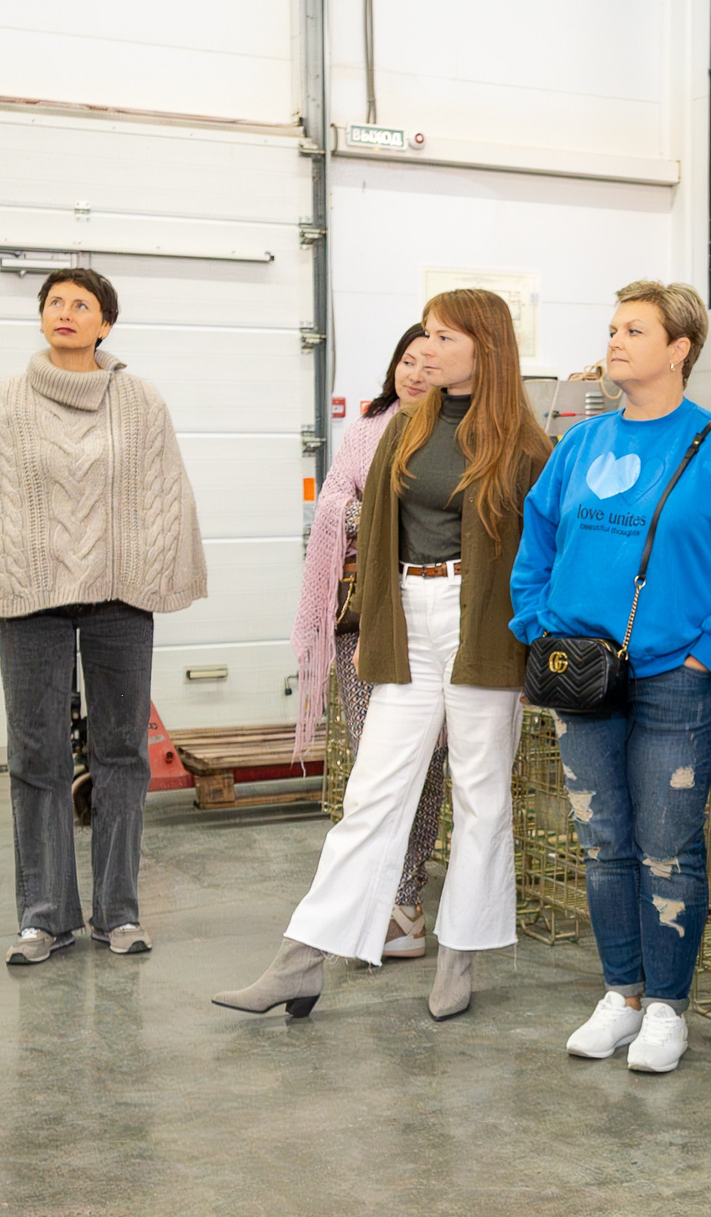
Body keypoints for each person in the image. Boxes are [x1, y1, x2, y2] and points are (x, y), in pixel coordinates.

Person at [217, 290, 549, 1022]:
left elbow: (537, 555)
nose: (425, 349)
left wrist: (527, 646)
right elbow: (377, 534)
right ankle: (302, 960)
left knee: (480, 795)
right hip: (411, 616)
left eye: (443, 337)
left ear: (484, 348)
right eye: (424, 335)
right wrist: (372, 621)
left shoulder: (525, 446)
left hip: (482, 628)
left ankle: (459, 955)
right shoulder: (405, 427)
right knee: (371, 794)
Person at [511, 280, 711, 1073]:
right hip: (582, 674)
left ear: (680, 348)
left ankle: (667, 1007)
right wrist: (535, 622)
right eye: (613, 326)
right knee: (602, 843)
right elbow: (539, 539)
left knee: (667, 845)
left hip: (679, 683)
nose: (616, 340)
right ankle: (620, 993)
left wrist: (709, 652)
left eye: (636, 329)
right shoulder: (582, 444)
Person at [0, 267, 207, 966]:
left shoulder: (140, 400)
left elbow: (166, 491)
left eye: (81, 305)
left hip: (119, 597)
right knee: (34, 754)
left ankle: (118, 914)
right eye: (55, 303)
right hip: (30, 599)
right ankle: (44, 918)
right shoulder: (5, 402)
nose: (66, 313)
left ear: (105, 324)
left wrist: (153, 569)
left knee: (121, 753)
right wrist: (4, 573)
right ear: (41, 319)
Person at [291, 324, 451, 961]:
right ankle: (374, 899)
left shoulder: (447, 433)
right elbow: (335, 505)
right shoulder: (367, 427)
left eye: (425, 361)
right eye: (405, 361)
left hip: (428, 615)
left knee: (427, 760)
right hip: (361, 617)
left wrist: (375, 515)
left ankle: (407, 905)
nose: (414, 372)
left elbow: (427, 518)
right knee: (371, 766)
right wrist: (378, 517)